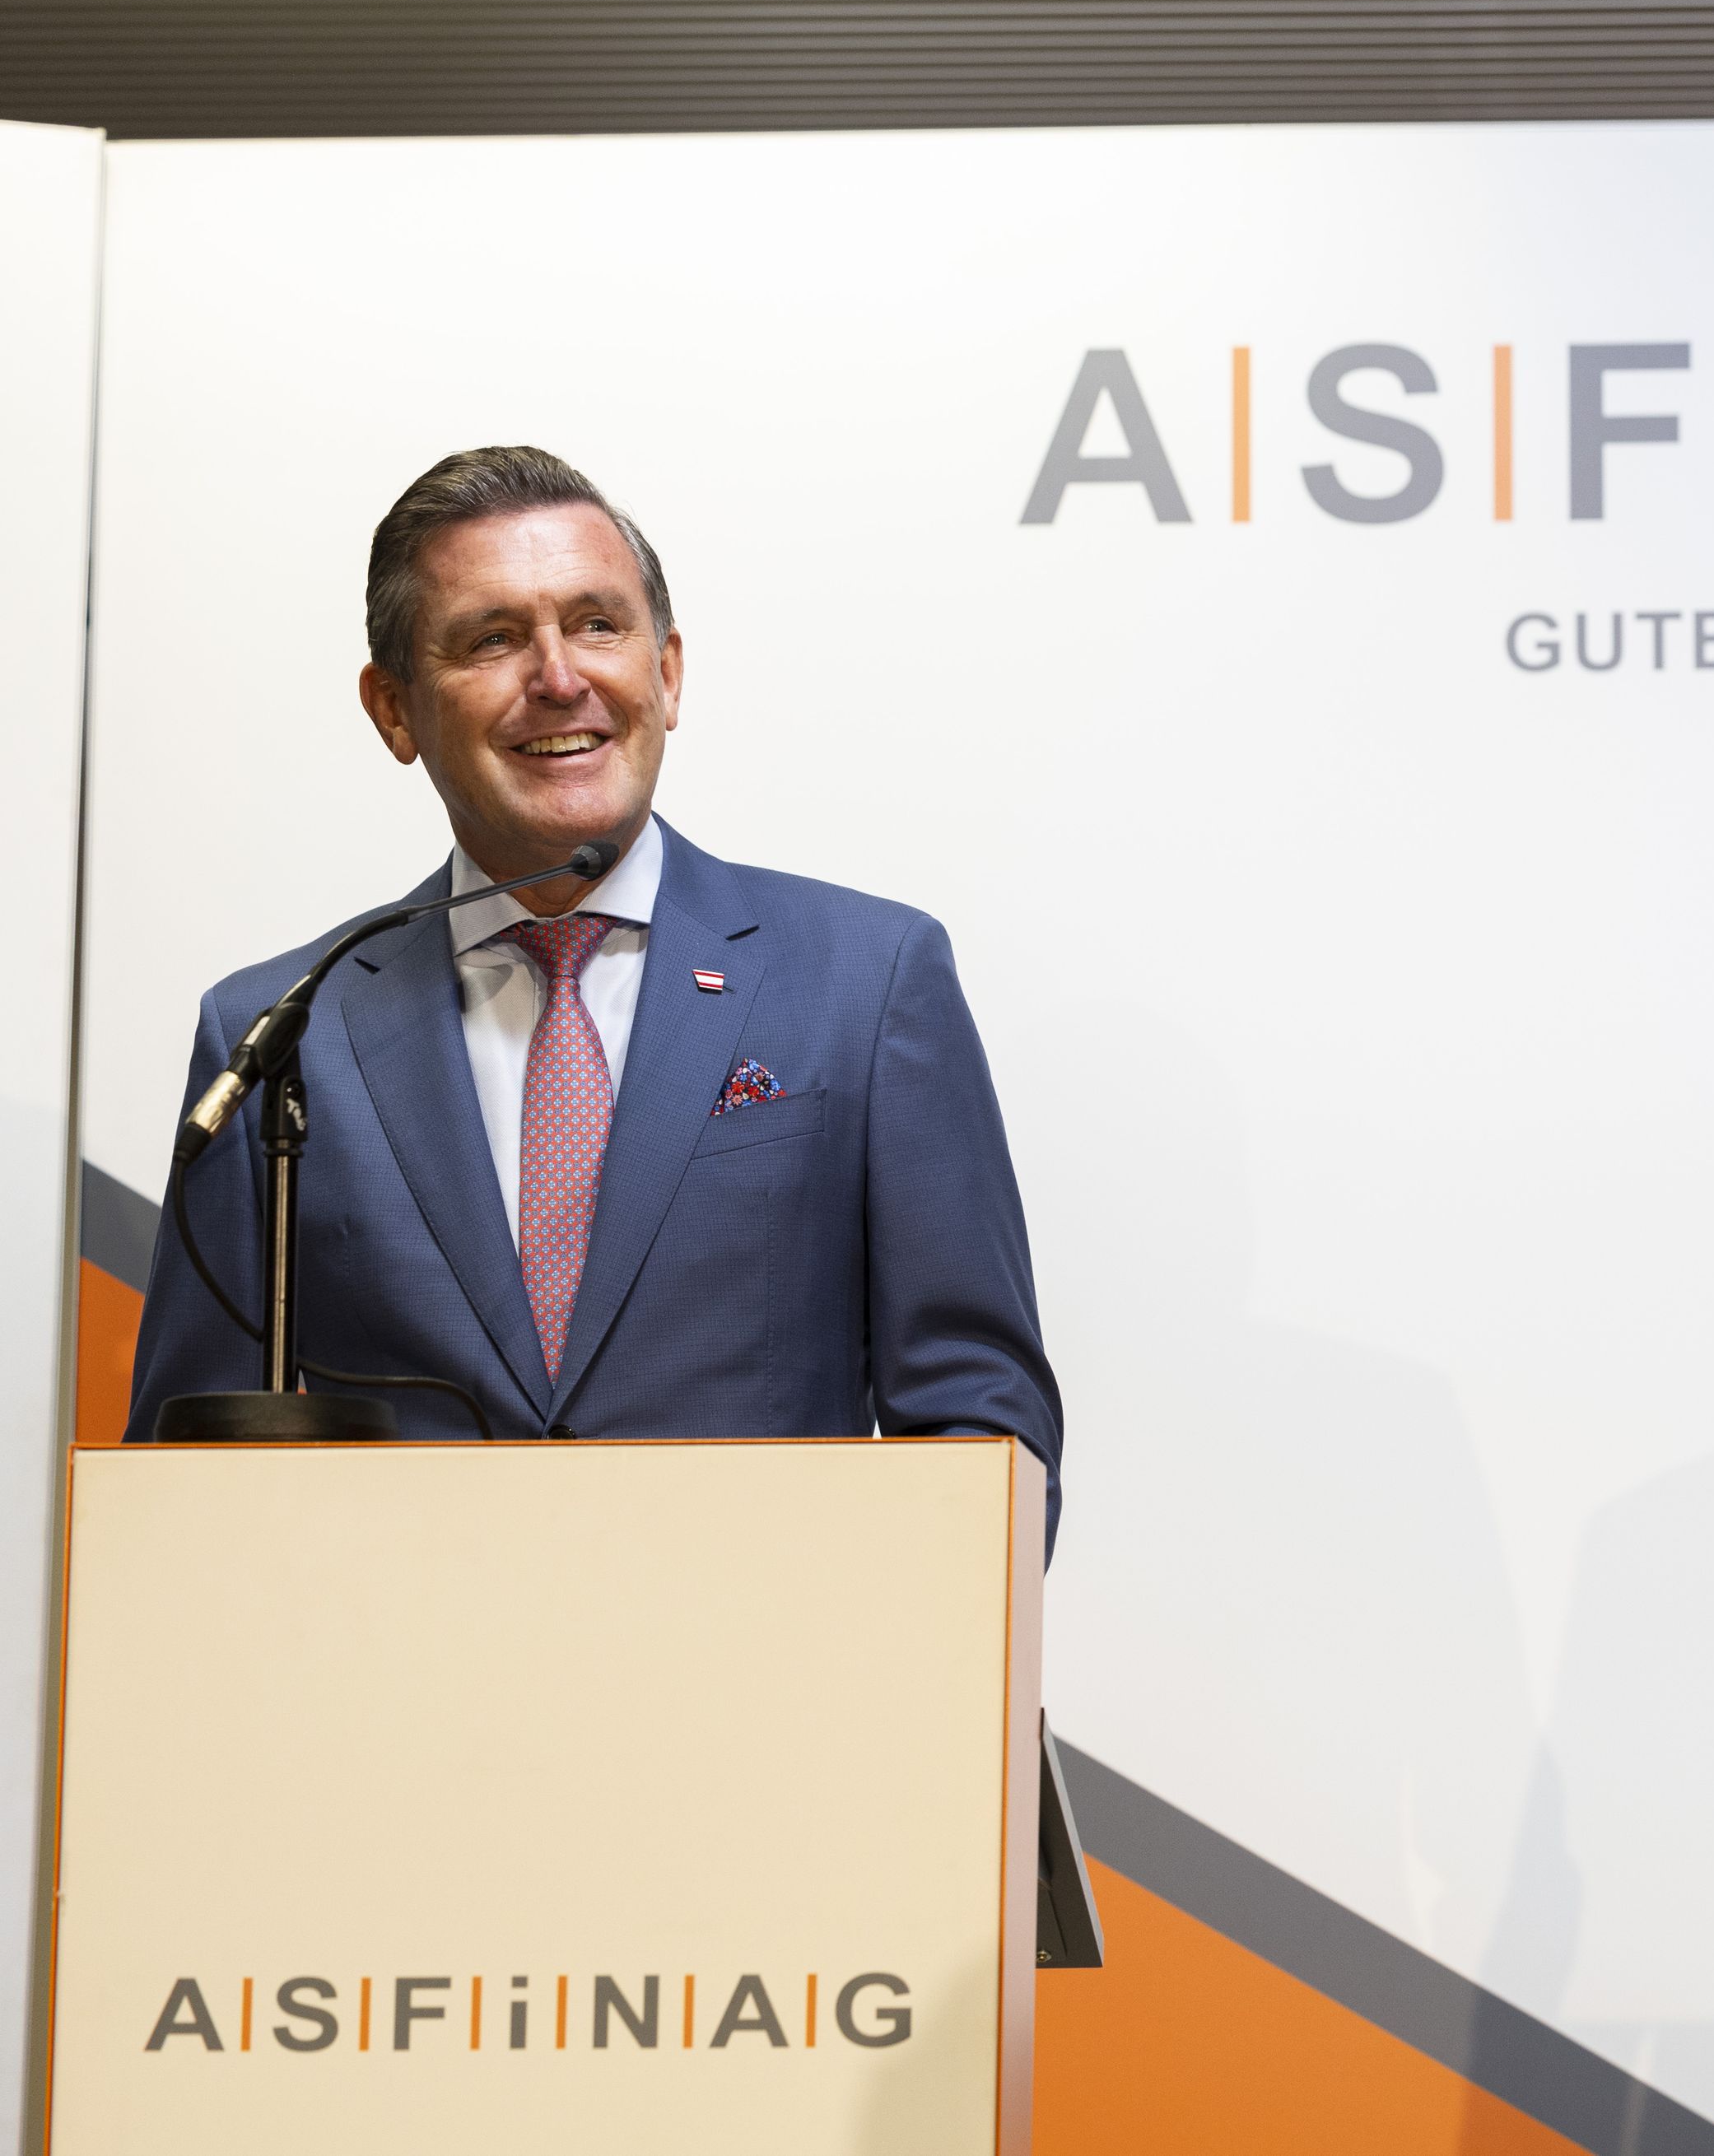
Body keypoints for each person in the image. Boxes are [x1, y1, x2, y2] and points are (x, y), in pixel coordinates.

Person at [126, 446, 1062, 1516]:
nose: (560, 676)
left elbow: (981, 1429)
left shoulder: (869, 982)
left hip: (769, 1672)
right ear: (393, 709)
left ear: (667, 673)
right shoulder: (281, 1030)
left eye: (598, 624)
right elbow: (188, 1484)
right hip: (410, 1675)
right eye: (493, 638)